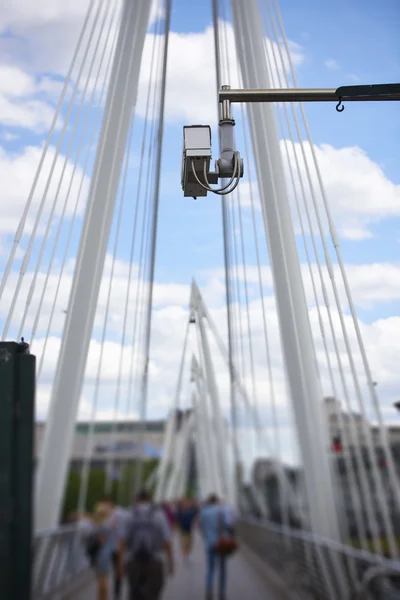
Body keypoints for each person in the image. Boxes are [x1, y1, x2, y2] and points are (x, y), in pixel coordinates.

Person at [121, 488, 174, 600]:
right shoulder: (159, 515)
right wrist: (170, 563)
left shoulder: (129, 514)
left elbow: (122, 541)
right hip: (155, 561)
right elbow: (167, 541)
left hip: (133, 561)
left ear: (136, 499)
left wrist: (120, 564)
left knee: (134, 595)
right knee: (153, 595)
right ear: (150, 499)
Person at [198, 494, 235, 600]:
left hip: (210, 542)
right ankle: (221, 593)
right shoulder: (222, 511)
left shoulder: (203, 512)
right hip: (221, 543)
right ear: (217, 501)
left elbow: (201, 526)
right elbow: (229, 524)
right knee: (223, 569)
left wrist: (206, 536)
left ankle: (209, 590)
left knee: (210, 568)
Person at [102, 496, 127, 599]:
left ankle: (117, 594)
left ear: (109, 504)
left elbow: (121, 534)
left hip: (117, 548)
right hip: (109, 548)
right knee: (109, 572)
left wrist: (122, 551)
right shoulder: (106, 516)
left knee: (117, 571)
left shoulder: (118, 515)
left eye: (105, 505)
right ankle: (114, 593)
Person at [91, 502, 114, 600]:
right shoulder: (108, 524)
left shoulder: (102, 525)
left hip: (101, 554)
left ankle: (102, 598)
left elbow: (101, 541)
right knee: (104, 578)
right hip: (107, 554)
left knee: (102, 580)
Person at [175, 497, 198, 564]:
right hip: (183, 530)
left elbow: (195, 516)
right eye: (185, 503)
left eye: (187, 503)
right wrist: (176, 527)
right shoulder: (179, 511)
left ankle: (187, 555)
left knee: (190, 543)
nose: (186, 505)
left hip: (189, 529)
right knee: (184, 543)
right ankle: (185, 557)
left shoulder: (190, 511)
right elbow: (177, 519)